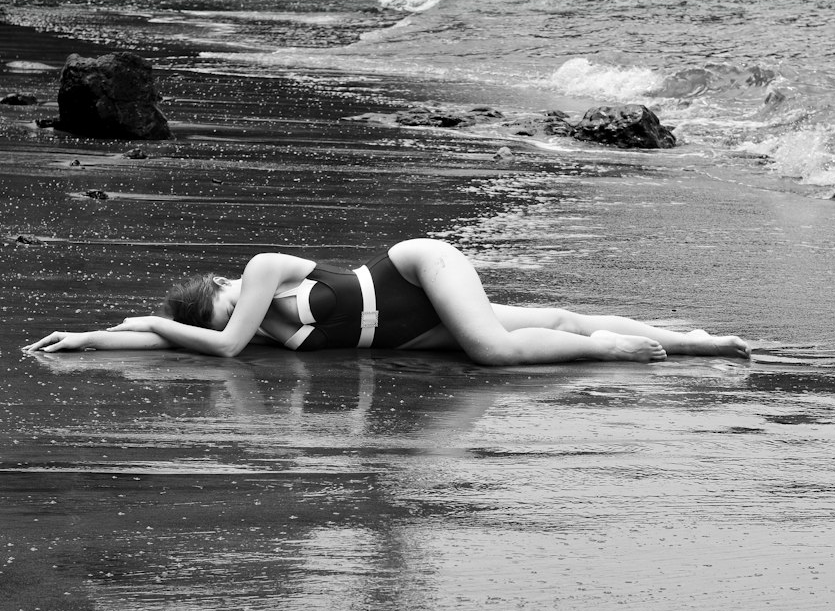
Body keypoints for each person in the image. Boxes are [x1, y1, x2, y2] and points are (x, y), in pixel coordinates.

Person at [25, 238, 750, 365]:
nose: (237, 314)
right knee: (554, 321)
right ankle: (691, 340)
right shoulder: (242, 335)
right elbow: (172, 343)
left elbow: (216, 344)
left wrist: (154, 318)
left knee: (495, 351)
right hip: (408, 336)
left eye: (226, 304)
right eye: (224, 315)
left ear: (220, 287)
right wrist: (88, 337)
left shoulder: (260, 270)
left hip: (417, 273)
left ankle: (612, 352)